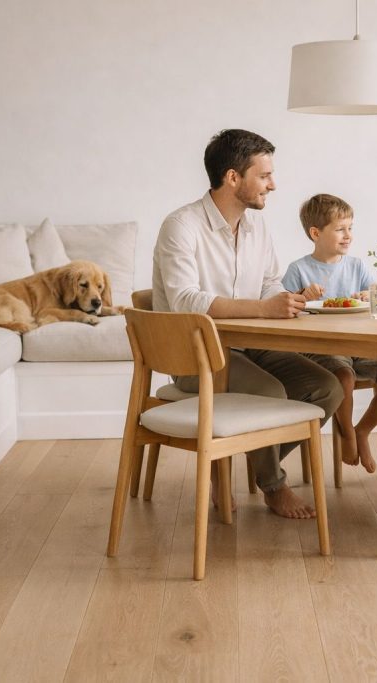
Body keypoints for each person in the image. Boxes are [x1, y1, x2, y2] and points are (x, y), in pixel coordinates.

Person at [152, 129, 343, 520]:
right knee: (270, 392)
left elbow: (270, 284)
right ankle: (273, 486)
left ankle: (236, 460)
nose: (273, 185)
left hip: (249, 346)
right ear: (233, 177)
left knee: (327, 387)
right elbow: (185, 301)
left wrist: (291, 300)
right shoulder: (182, 226)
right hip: (197, 356)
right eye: (264, 175)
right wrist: (264, 308)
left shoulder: (257, 227)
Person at [282, 193, 377, 474]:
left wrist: (370, 294)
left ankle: (361, 430)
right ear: (316, 233)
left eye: (350, 228)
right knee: (344, 376)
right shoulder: (299, 269)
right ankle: (347, 435)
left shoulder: (357, 266)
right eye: (340, 229)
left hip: (361, 345)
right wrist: (302, 295)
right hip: (321, 348)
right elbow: (285, 312)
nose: (348, 235)